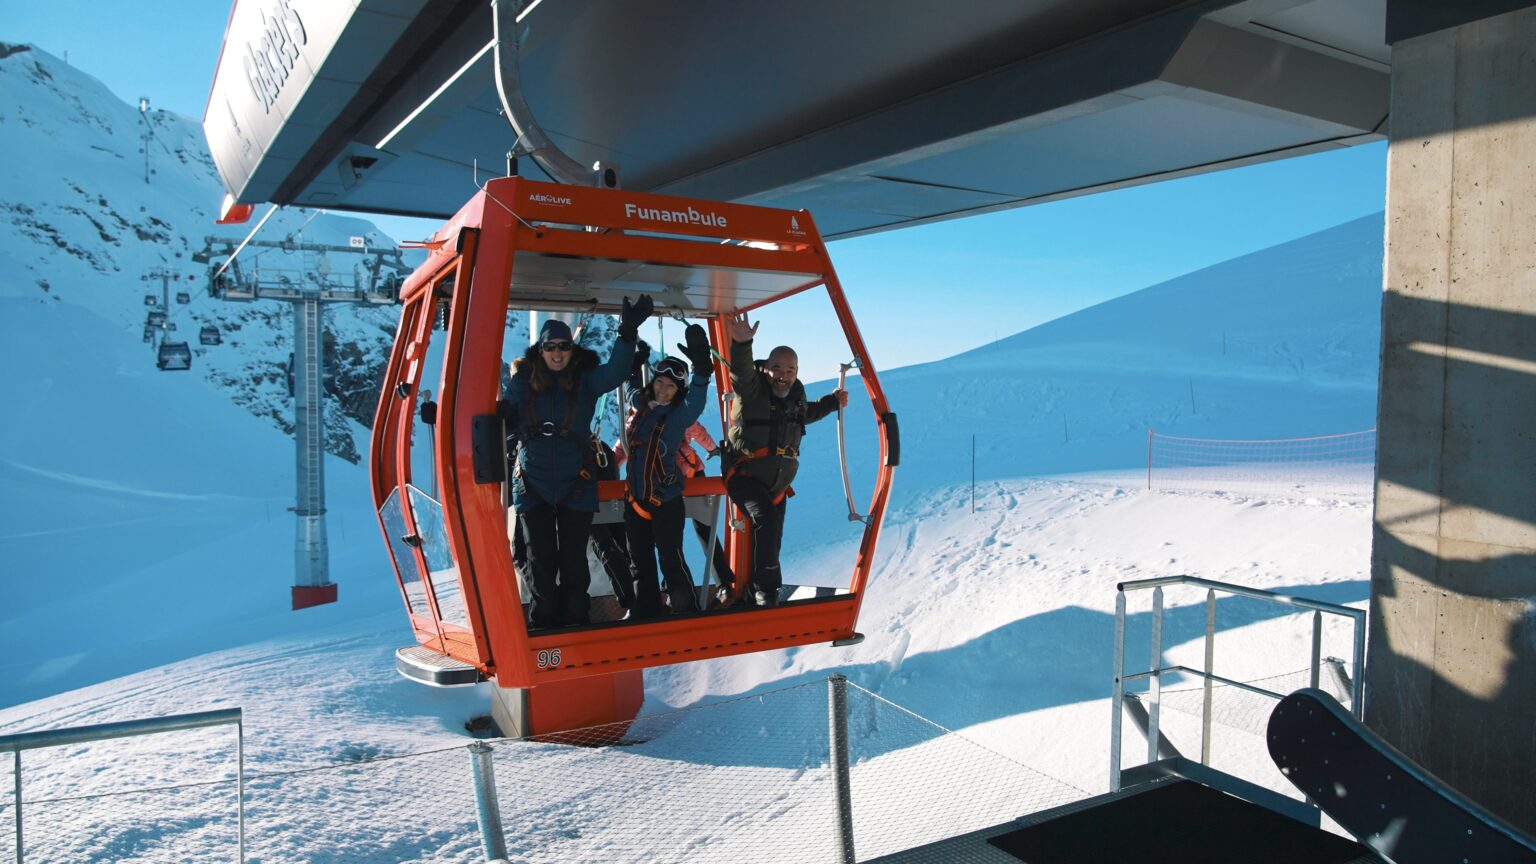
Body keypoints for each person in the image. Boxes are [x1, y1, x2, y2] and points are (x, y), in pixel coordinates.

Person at [501, 297, 651, 628]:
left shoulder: (585, 380)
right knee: (541, 560)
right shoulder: (523, 382)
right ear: (540, 350)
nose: (557, 352)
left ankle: (576, 618)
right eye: (551, 346)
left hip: (575, 481)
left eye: (564, 346)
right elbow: (506, 419)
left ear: (571, 349)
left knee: (573, 560)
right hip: (532, 482)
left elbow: (615, 372)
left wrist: (627, 332)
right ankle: (545, 620)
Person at [723, 313, 847, 607]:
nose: (783, 374)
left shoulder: (795, 398)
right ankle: (767, 590)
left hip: (777, 485)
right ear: (766, 368)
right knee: (765, 518)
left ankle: (756, 590)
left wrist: (833, 402)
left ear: (797, 371)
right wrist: (742, 344)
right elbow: (740, 373)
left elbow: (807, 414)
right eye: (777, 368)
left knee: (771, 536)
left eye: (790, 370)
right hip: (744, 477)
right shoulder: (752, 391)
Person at [622, 325, 715, 618]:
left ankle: (684, 607)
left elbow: (697, 399)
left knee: (670, 557)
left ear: (678, 392)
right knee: (640, 560)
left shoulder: (679, 415)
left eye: (670, 386)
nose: (663, 389)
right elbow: (629, 387)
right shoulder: (641, 404)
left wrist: (702, 368)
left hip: (666, 501)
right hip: (635, 501)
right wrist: (635, 364)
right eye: (660, 382)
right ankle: (647, 609)